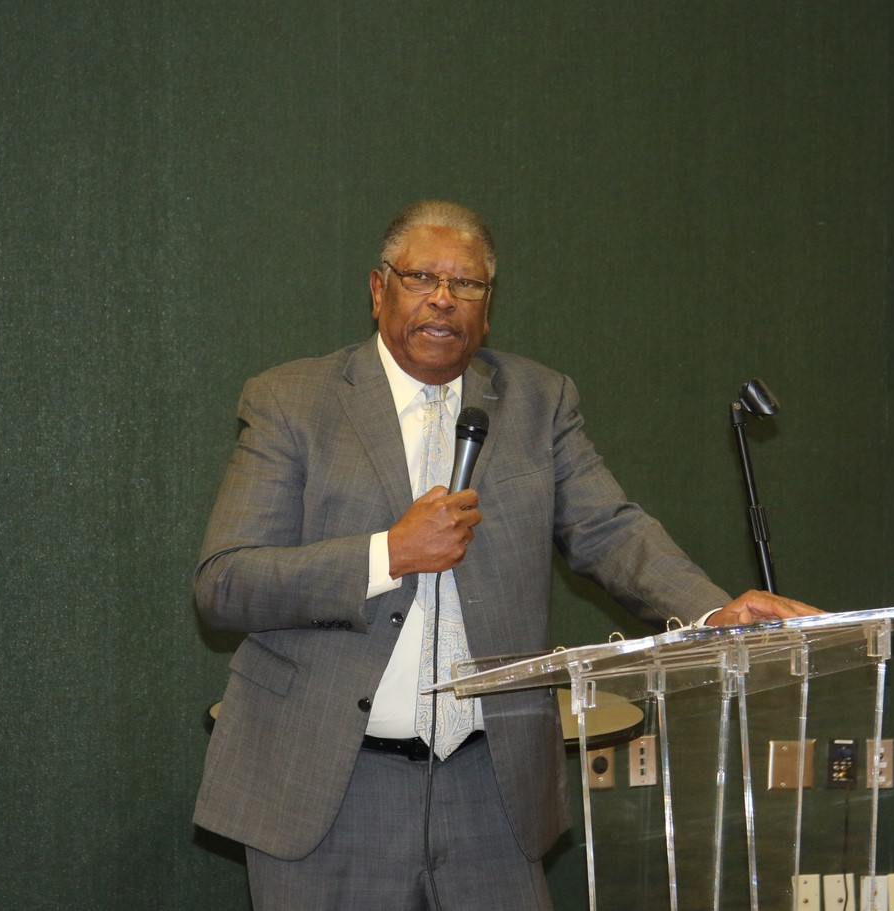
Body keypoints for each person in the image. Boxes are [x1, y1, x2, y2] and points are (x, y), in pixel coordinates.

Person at [192, 199, 819, 910]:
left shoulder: (537, 401)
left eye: (466, 284)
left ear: (487, 308)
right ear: (377, 290)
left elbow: (610, 529)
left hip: (490, 792)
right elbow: (226, 582)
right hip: (326, 790)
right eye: (421, 277)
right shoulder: (292, 400)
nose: (443, 298)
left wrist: (710, 611)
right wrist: (387, 553)